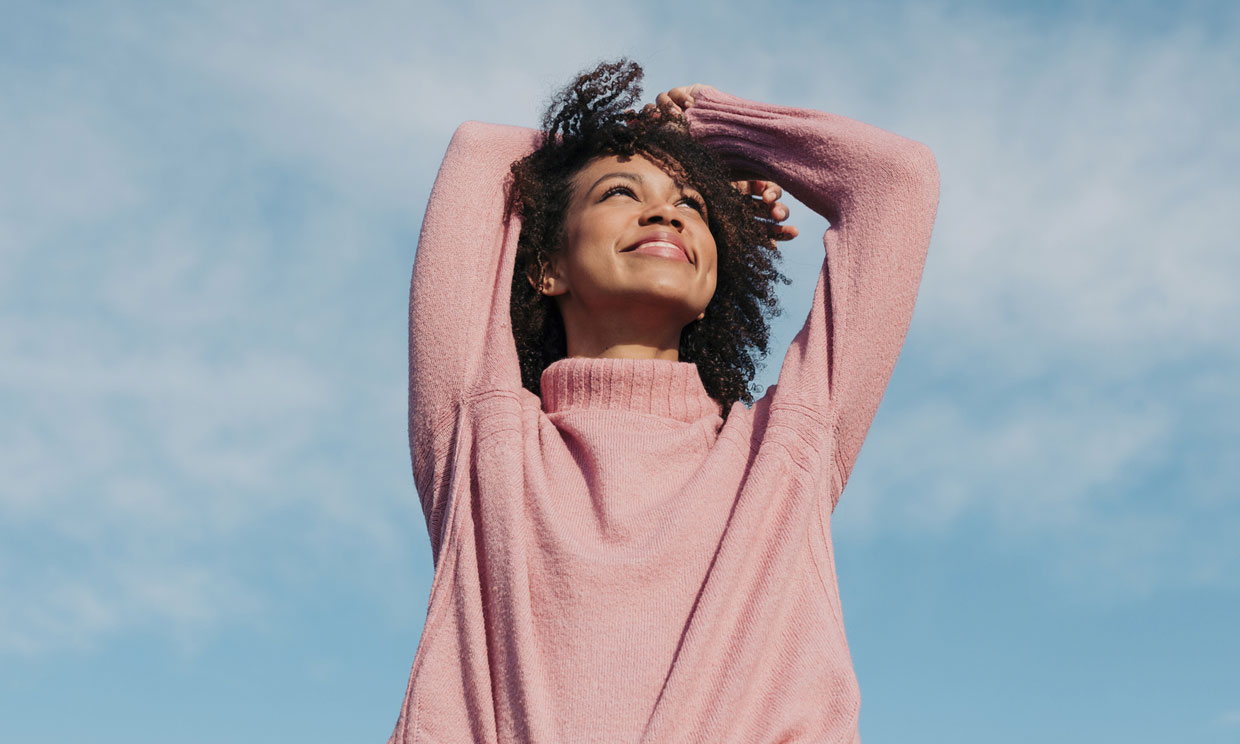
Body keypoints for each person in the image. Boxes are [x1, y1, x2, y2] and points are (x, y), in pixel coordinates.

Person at [388, 59, 940, 743]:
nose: (664, 211)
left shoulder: (782, 453)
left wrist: (713, 129)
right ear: (546, 266)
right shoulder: (481, 436)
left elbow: (896, 181)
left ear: (718, 266)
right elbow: (481, 150)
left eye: (694, 206)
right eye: (621, 192)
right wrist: (642, 141)